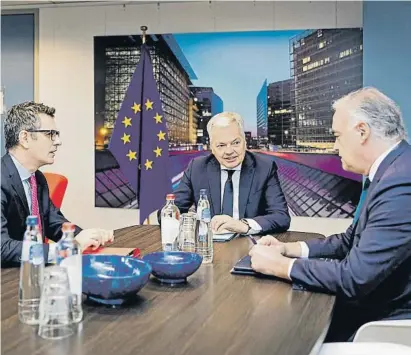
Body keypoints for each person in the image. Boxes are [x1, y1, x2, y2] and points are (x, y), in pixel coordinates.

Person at [249, 87, 411, 341]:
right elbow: (349, 240)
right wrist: (289, 249)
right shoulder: (389, 170)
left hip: (379, 323)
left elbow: (355, 277)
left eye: (336, 135)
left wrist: (280, 266)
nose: (334, 146)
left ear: (362, 132)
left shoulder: (401, 182)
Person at [1, 101, 113, 266]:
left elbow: (53, 223)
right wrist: (66, 249)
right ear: (24, 138)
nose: (58, 141)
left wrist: (87, 237)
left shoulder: (37, 178)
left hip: (33, 273)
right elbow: (2, 248)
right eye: (50, 134)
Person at [166, 111, 290, 235]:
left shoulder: (265, 167)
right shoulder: (197, 168)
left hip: (251, 245)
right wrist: (194, 225)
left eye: (236, 143)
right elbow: (169, 212)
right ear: (212, 148)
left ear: (245, 142)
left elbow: (281, 217)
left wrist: (243, 225)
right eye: (221, 145)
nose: (229, 151)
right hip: (209, 245)